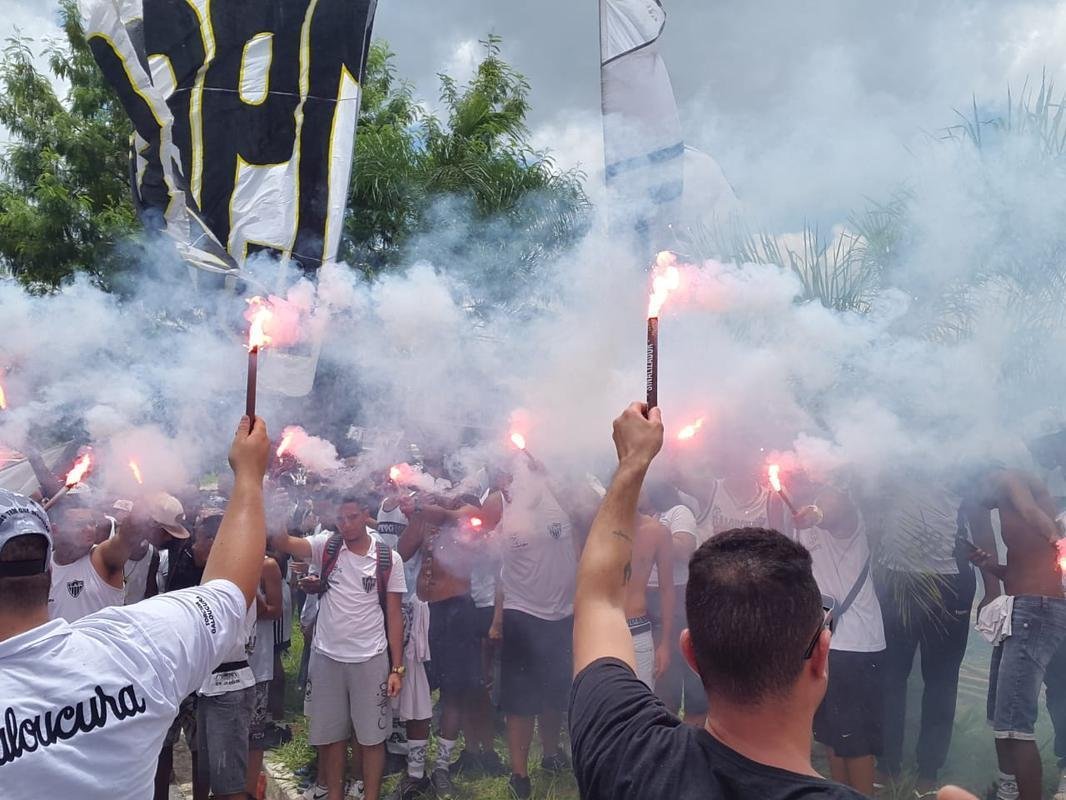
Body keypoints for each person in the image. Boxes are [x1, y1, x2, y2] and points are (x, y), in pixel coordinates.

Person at [569, 402, 979, 800]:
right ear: (821, 654)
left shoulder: (628, 756)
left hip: (857, 643)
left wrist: (632, 463)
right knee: (839, 740)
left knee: (850, 741)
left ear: (691, 652)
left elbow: (599, 600)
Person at [0, 415, 270, 799]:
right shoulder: (137, 649)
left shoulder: (115, 594)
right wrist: (248, 477)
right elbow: (228, 592)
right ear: (47, 560)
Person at [272, 495, 406, 800]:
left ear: (366, 515)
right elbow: (282, 541)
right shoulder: (326, 546)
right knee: (331, 737)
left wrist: (397, 668)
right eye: (341, 519)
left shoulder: (388, 559)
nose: (346, 525)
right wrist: (277, 500)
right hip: (327, 657)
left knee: (371, 738)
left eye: (353, 517)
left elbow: (395, 616)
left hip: (370, 658)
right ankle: (334, 795)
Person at [870, 476, 976, 791]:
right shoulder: (891, 460)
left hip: (950, 584)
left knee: (941, 681)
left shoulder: (960, 465)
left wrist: (993, 587)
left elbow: (980, 520)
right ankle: (886, 764)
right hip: (895, 581)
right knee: (889, 676)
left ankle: (929, 770)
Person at [967, 466, 1066, 800]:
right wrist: (990, 567)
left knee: (1014, 721)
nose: (981, 505)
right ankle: (1007, 791)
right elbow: (1019, 573)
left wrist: (1058, 541)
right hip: (1021, 609)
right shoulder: (1007, 501)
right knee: (1001, 713)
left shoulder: (1008, 477)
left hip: (1035, 612)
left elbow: (1030, 511)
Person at [790, 481, 886, 796]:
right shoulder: (798, 509)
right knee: (832, 736)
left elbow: (836, 513)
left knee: (854, 740)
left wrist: (816, 513)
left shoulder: (845, 508)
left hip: (855, 645)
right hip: (823, 641)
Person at [492, 461, 578, 800]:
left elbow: (588, 513)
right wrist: (498, 619)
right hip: (522, 612)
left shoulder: (564, 500)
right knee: (520, 699)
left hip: (563, 612)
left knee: (556, 691)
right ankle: (519, 774)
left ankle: (551, 754)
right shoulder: (509, 516)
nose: (515, 481)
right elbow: (502, 573)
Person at [398, 487, 485, 799]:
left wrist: (436, 509)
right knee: (418, 692)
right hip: (424, 613)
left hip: (456, 612)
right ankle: (415, 772)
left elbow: (463, 518)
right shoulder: (430, 518)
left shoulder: (468, 514)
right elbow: (402, 551)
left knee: (454, 692)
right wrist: (418, 515)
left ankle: (442, 767)